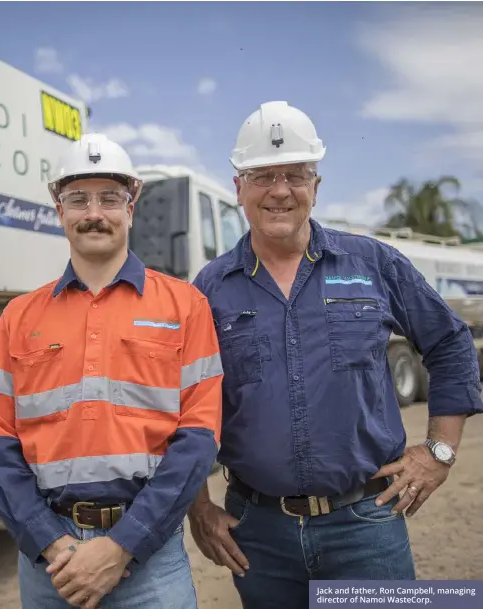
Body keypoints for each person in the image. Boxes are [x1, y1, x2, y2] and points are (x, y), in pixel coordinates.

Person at [187, 100, 483, 608]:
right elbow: (186, 401)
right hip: (257, 533)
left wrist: (439, 452)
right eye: (262, 175)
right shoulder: (210, 289)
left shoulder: (373, 264)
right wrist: (199, 510)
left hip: (365, 526)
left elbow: (451, 343)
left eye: (295, 174)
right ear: (238, 188)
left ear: (315, 186)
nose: (280, 189)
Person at [0, 133, 223, 609]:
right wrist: (51, 542)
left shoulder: (185, 306)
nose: (94, 213)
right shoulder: (18, 317)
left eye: (110, 198)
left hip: (149, 558)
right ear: (58, 208)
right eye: (78, 199)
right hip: (51, 564)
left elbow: (198, 439)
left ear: (132, 205)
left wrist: (122, 545)